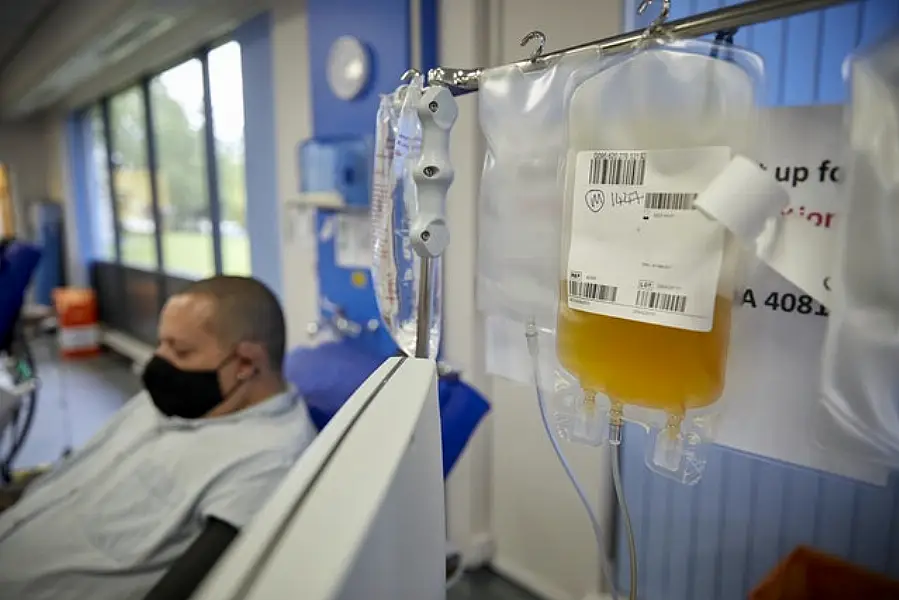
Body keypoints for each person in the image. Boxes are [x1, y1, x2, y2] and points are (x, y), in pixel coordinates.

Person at [0, 276, 317, 600]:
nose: (158, 363)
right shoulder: (171, 401)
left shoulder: (266, 462)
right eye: (161, 343)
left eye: (180, 350)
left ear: (247, 362)